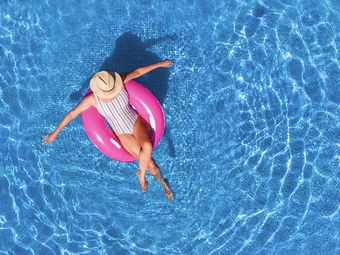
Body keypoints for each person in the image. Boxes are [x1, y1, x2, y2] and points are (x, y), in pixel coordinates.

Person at [43, 60, 174, 200]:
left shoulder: (120, 82)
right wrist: (54, 134)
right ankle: (164, 185)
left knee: (147, 145)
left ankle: (141, 174)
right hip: (122, 133)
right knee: (151, 165)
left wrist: (160, 64)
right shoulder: (92, 100)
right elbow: (71, 114)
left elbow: (138, 71)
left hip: (136, 122)